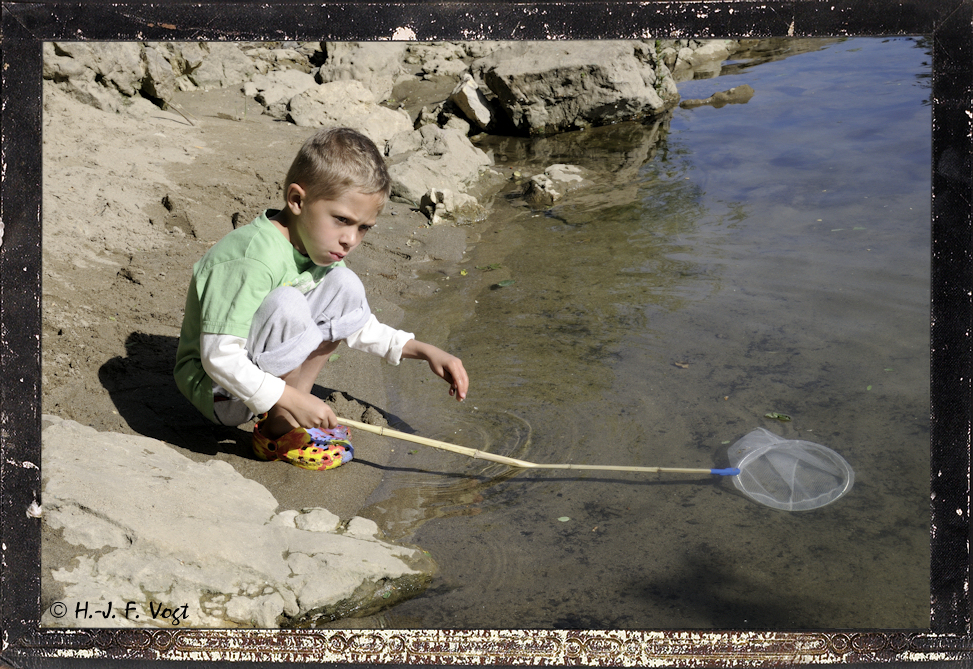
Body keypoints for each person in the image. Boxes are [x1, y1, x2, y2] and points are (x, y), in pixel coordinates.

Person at [174, 127, 469, 471]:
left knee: (344, 283)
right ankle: (278, 429)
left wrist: (425, 351)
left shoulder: (312, 247)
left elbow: (353, 322)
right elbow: (218, 358)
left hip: (251, 374)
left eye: (363, 228)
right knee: (289, 303)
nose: (350, 240)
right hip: (217, 389)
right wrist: (288, 397)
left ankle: (287, 415)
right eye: (342, 220)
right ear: (297, 200)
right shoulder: (253, 259)